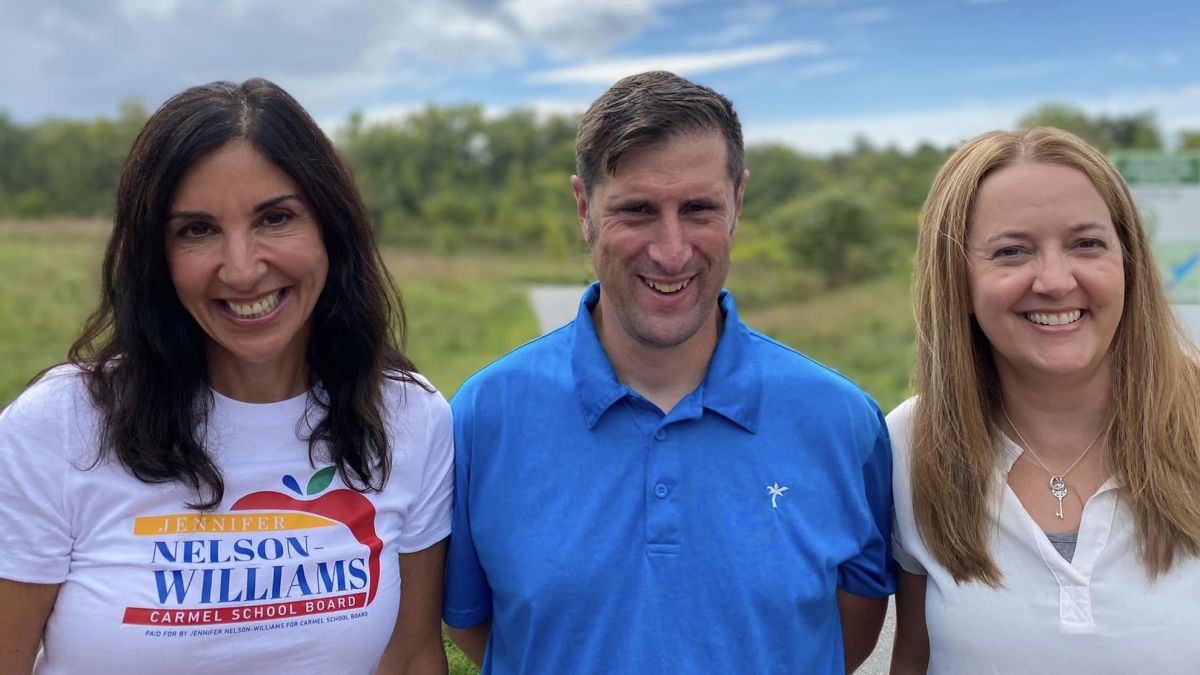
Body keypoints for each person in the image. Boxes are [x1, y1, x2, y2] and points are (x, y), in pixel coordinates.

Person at [442, 71, 895, 674]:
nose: (672, 250)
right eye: (637, 210)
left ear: (738, 202)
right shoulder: (485, 415)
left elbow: (845, 633)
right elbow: (478, 627)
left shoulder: (841, 420)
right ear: (584, 208)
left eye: (699, 208)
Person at [0, 79, 453, 674]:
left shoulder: (406, 418)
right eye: (197, 230)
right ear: (154, 257)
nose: (241, 270)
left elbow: (413, 654)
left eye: (276, 218)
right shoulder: (57, 427)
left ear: (330, 229)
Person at [889, 127, 1200, 673]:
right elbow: (915, 656)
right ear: (957, 280)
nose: (1056, 281)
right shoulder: (911, 444)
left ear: (1128, 261)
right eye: (1012, 252)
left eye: (1087, 244)